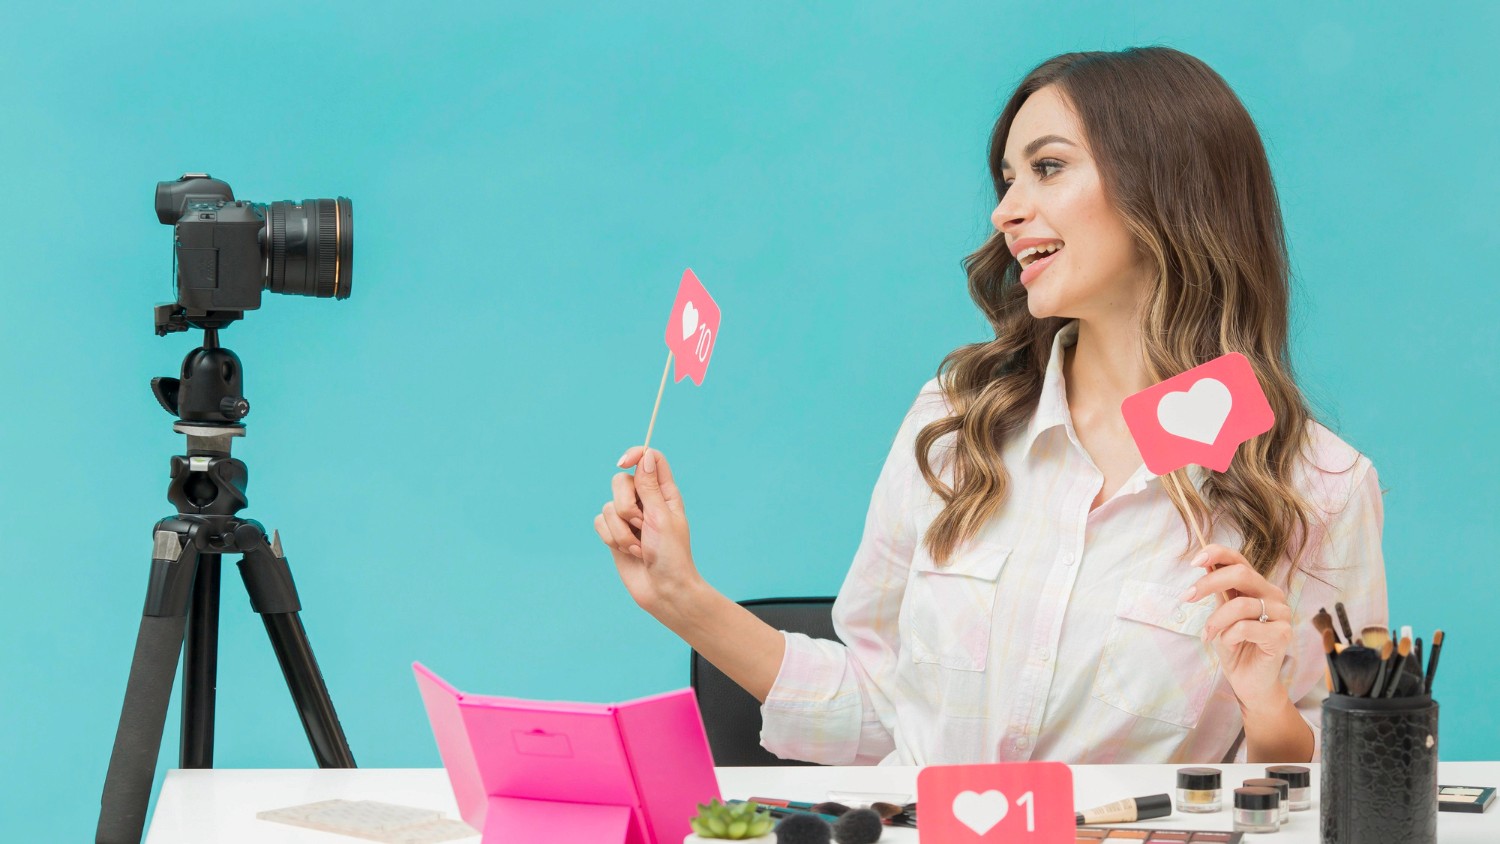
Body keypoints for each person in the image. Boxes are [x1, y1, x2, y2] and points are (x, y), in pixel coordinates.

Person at [593, 46, 1387, 766]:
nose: (1005, 211)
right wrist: (681, 595)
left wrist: (1266, 706)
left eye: (1047, 168)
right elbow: (877, 711)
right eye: (1007, 179)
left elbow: (1341, 791)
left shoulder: (1318, 484)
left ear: (1165, 185)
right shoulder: (954, 421)